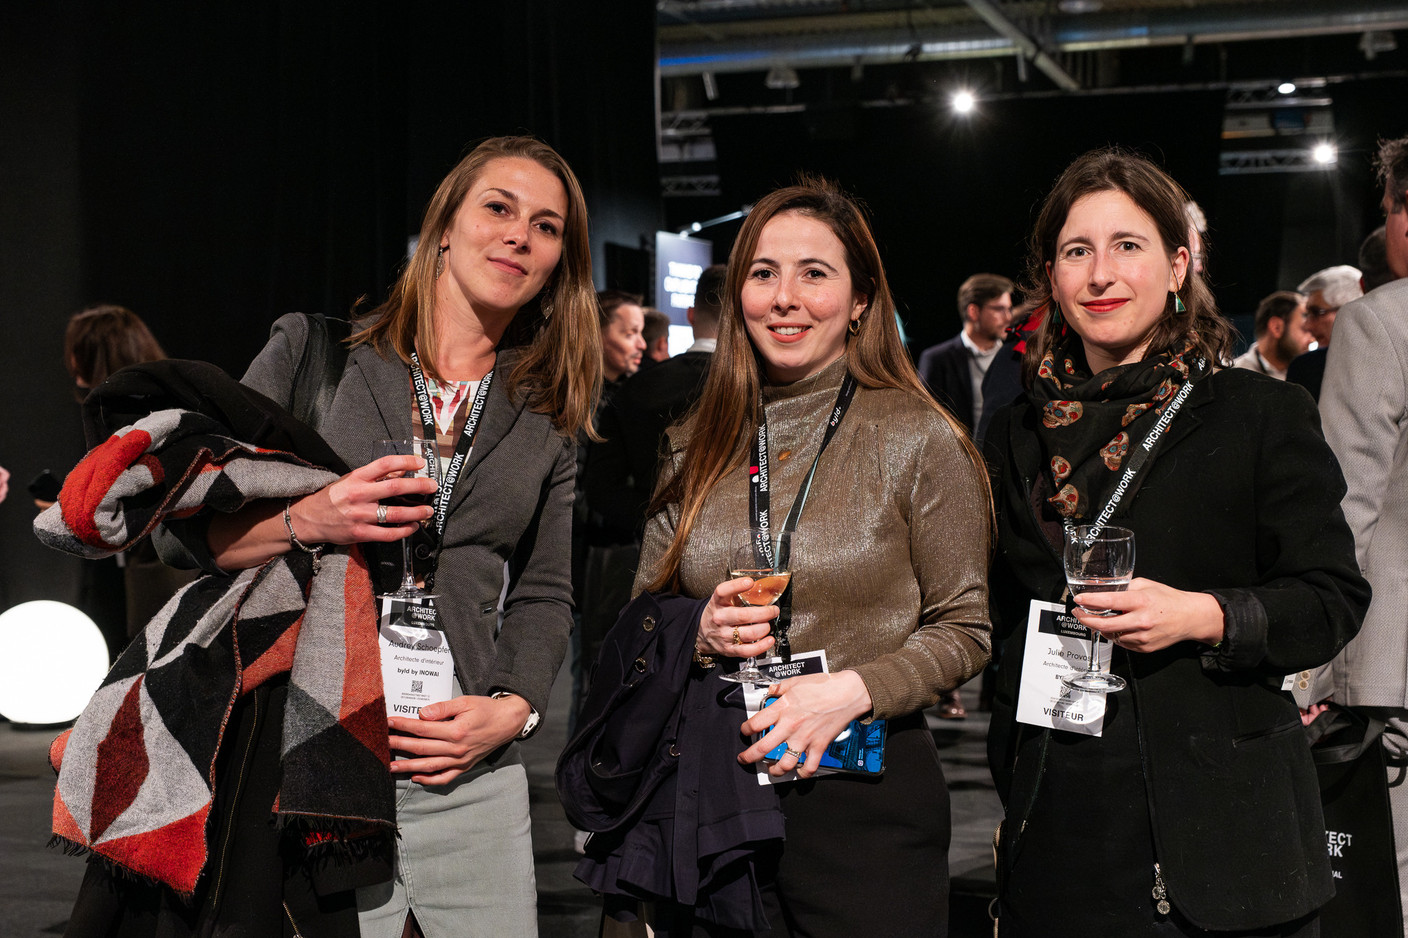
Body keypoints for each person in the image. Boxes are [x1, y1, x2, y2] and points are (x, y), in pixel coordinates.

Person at [198, 136, 599, 936]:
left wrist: (514, 706)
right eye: (499, 207)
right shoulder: (315, 355)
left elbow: (548, 589)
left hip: (468, 768)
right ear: (445, 227)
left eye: (548, 226)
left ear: (560, 261)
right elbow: (197, 528)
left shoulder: (548, 411)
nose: (521, 234)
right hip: (307, 762)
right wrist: (308, 519)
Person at [985, 148, 1369, 937]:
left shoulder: (1257, 413)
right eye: (1076, 251)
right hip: (1062, 832)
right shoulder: (1015, 432)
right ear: (1051, 277)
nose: (1101, 273)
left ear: (1176, 265)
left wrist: (1205, 616)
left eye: (1128, 246)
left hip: (1225, 840)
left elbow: (1331, 599)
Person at [629, 178, 993, 935]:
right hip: (713, 795)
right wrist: (697, 630)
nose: (784, 297)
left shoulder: (921, 437)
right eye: (764, 273)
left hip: (868, 805)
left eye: (814, 274)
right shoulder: (692, 441)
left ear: (861, 299)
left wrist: (854, 689)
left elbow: (965, 628)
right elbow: (643, 614)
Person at [1310, 131, 1408, 934]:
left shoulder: (1381, 322)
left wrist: (1313, 674)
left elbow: (1347, 513)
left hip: (1395, 680)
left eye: (1389, 210)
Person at [63, 304, 195, 650]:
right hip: (156, 561)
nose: (71, 361)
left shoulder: (128, 415)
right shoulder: (170, 400)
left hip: (159, 562)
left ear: (94, 353)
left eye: (76, 350)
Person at [915, 272, 1015, 434]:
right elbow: (923, 421)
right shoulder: (937, 359)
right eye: (999, 309)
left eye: (1009, 309)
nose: (1008, 317)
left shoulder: (1015, 357)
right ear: (973, 311)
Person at [1286, 264, 1362, 400]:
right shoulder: (1305, 369)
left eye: (1316, 312)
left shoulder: (1393, 362)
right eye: (1306, 314)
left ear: (1349, 310)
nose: (1307, 325)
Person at [1231, 289, 1312, 379]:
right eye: (1305, 330)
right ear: (1276, 327)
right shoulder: (1234, 377)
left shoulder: (1308, 375)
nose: (1312, 339)